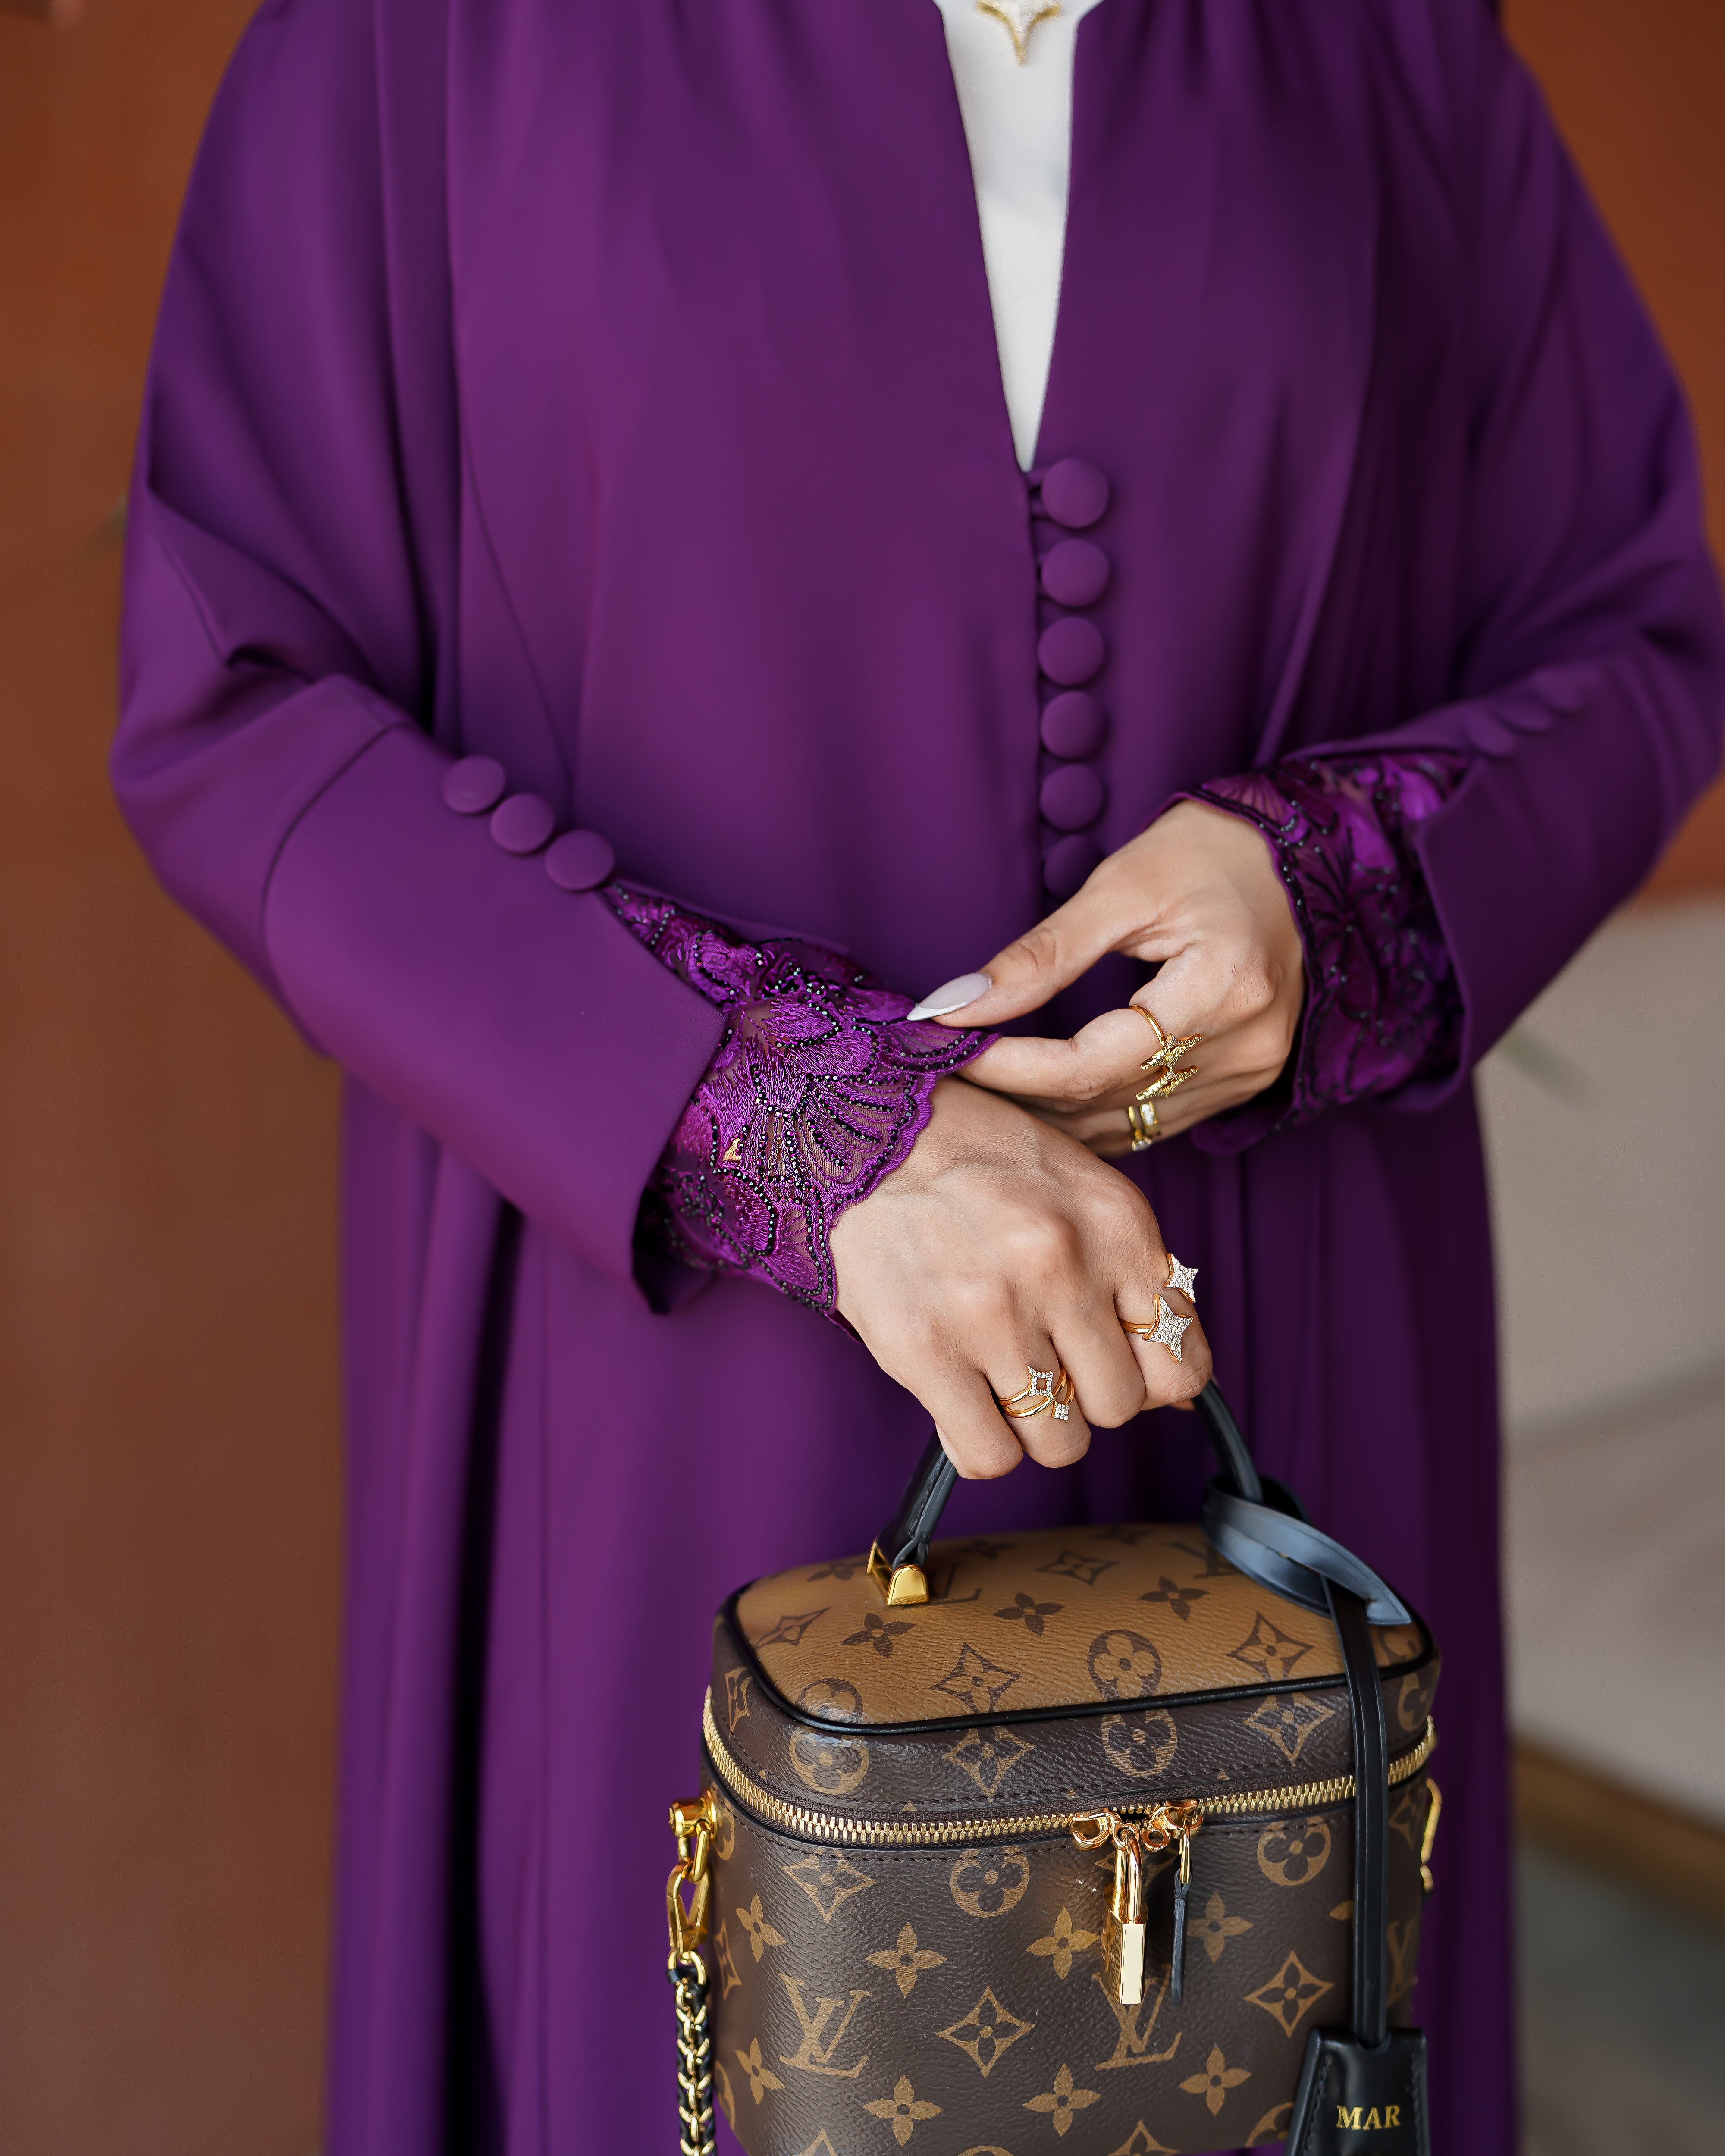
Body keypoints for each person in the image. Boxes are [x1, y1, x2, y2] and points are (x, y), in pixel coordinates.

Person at [113, 2, 1723, 2151]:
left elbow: (1629, 632)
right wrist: (788, 1121)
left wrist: (1328, 888)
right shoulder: (429, 41)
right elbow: (237, 700)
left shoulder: (1381, 41)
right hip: (671, 1379)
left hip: (1276, 1340)